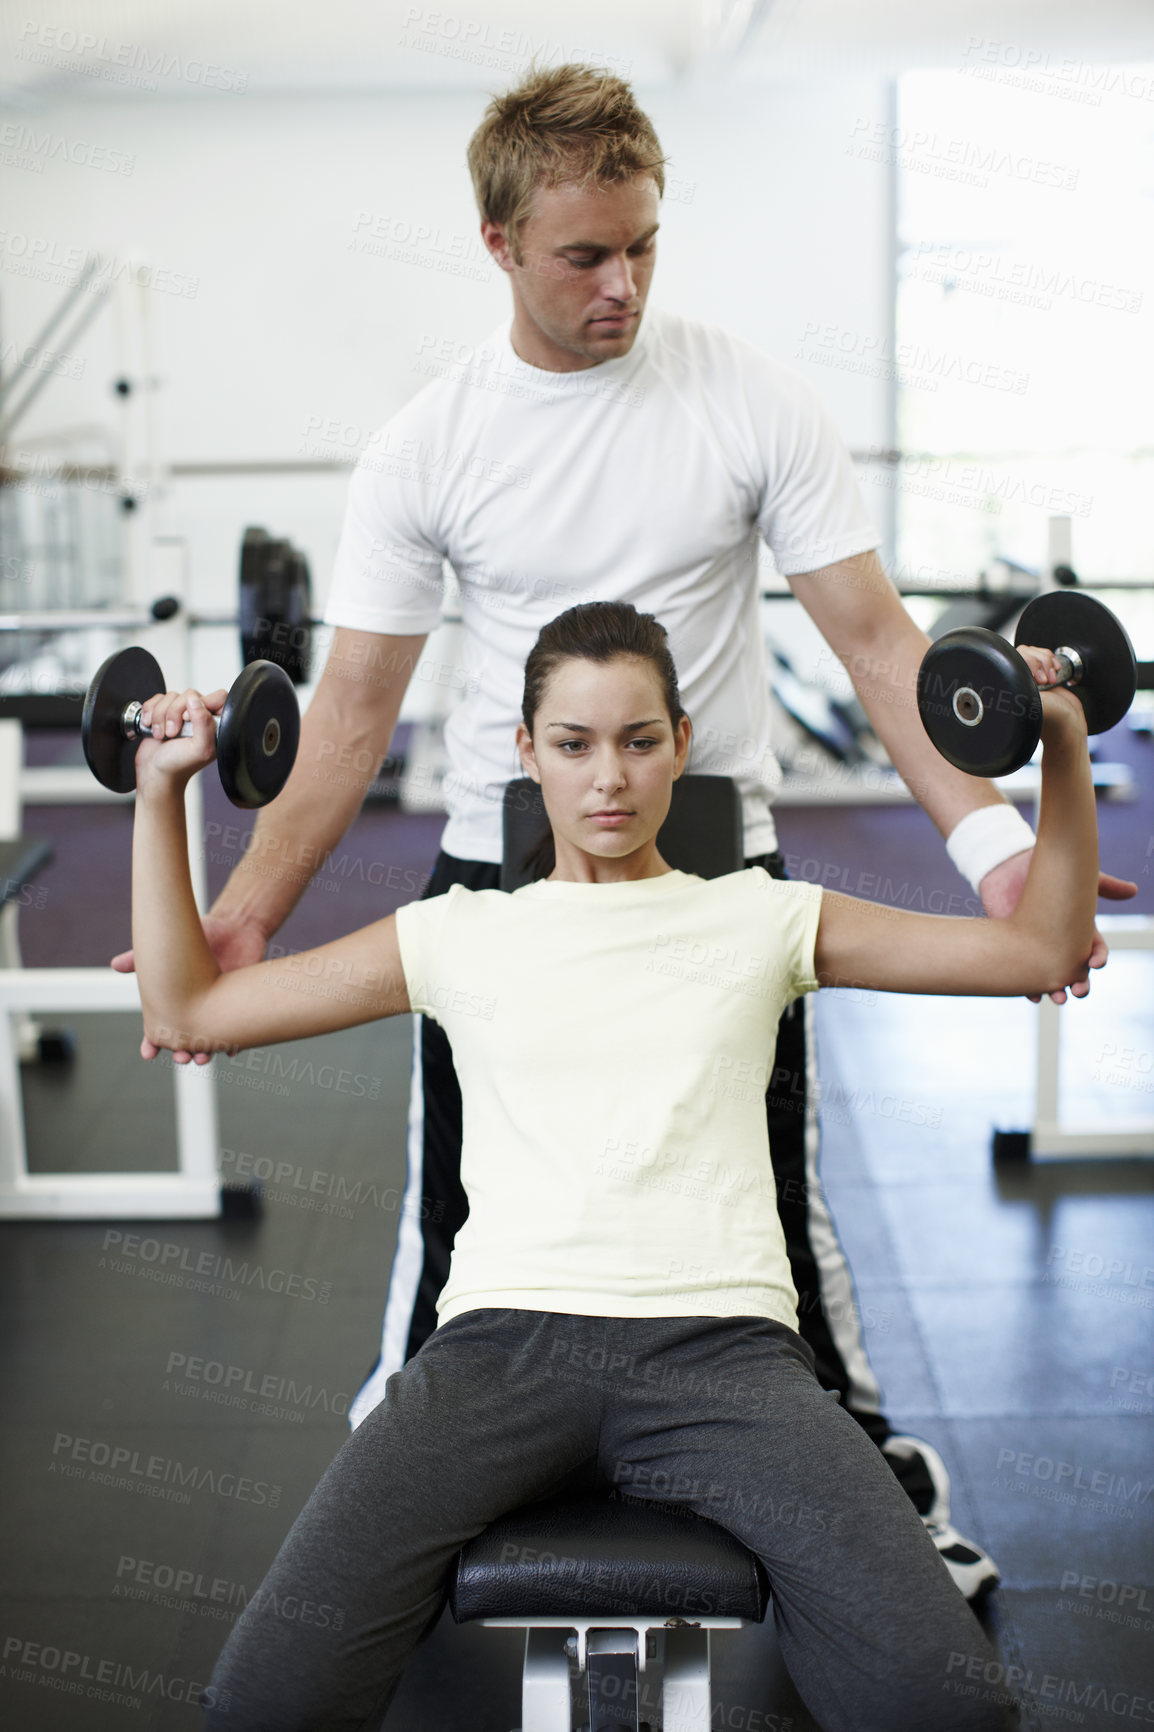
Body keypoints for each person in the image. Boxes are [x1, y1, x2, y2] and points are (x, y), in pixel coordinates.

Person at [112, 61, 1134, 1598]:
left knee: (769, 1207)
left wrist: (1000, 862)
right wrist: (240, 925)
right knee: (456, 1211)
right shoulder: (428, 444)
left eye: (644, 243)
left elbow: (873, 646)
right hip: (497, 877)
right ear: (498, 243)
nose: (623, 282)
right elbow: (348, 720)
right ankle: (406, 1498)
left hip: (714, 870)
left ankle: (866, 1480)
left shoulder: (744, 395)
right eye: (584, 253)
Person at [131, 599, 1094, 1732]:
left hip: (724, 1363)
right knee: (263, 1703)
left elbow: (1036, 947)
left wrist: (1063, 738)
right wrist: (160, 791)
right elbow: (187, 1004)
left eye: (639, 741)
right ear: (524, 751)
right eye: (575, 744)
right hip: (494, 1357)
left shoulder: (761, 915)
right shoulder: (455, 930)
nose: (608, 779)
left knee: (948, 1712)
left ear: (682, 745)